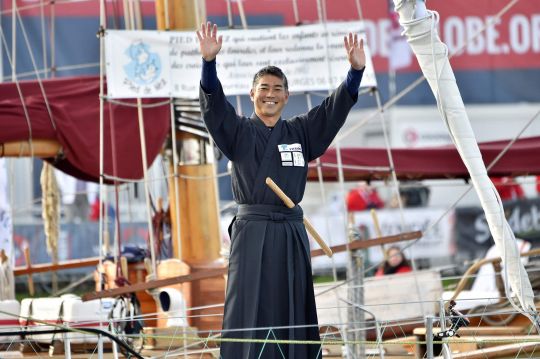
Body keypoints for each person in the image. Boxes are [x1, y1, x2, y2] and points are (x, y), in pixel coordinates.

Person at [197, 21, 366, 358]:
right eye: (263, 88)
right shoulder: (239, 132)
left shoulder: (300, 132)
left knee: (292, 300)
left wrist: (355, 72)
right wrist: (209, 64)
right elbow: (214, 107)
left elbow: (332, 111)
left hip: (290, 231)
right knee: (248, 301)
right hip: (252, 231)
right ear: (252, 94)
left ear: (286, 97)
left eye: (276, 88)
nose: (270, 93)